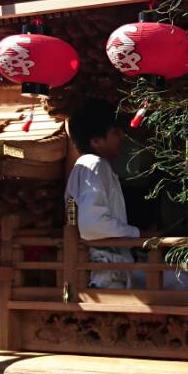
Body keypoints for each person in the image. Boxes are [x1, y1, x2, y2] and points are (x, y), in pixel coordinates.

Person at [66, 98, 141, 289]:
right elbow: (92, 224)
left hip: (103, 267)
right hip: (107, 272)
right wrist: (135, 234)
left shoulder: (84, 166)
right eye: (115, 132)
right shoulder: (95, 165)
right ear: (96, 141)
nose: (121, 136)